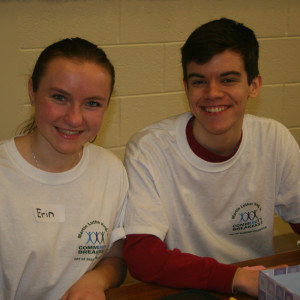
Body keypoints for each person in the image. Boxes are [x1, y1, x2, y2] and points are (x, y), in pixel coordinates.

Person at [123, 18, 300, 297]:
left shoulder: (274, 138)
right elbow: (143, 258)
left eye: (228, 79)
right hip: (188, 291)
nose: (212, 93)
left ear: (254, 85)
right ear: (186, 87)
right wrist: (236, 278)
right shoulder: (149, 148)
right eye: (199, 81)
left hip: (253, 286)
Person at [0, 38, 128, 300]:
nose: (74, 118)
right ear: (32, 92)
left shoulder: (111, 171)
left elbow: (117, 256)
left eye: (92, 103)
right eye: (60, 97)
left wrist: (97, 279)